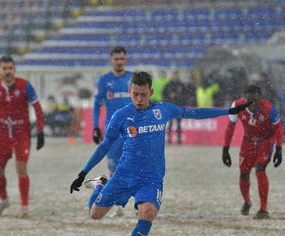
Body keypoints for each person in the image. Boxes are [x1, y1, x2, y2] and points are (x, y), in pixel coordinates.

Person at [70, 71, 251, 236]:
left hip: (151, 178)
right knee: (95, 215)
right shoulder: (121, 115)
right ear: (129, 91)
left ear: (151, 92)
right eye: (135, 94)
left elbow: (194, 113)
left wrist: (228, 111)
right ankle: (100, 185)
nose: (139, 99)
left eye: (143, 94)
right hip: (124, 175)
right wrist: (83, 173)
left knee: (147, 213)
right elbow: (104, 146)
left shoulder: (163, 110)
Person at [0, 56, 45, 218]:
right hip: (3, 134)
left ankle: (24, 207)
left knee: (21, 169)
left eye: (10, 68)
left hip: (22, 134)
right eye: (4, 68)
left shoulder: (25, 86)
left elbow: (38, 108)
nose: (8, 71)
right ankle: (4, 200)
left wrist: (41, 131)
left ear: (14, 69)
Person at [222, 85, 283, 219]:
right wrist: (225, 149)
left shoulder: (268, 108)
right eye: (250, 100)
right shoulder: (237, 106)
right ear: (245, 99)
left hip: (265, 141)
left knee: (260, 169)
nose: (253, 104)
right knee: (244, 174)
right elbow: (230, 127)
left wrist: (279, 149)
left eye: (255, 100)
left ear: (259, 98)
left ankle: (263, 209)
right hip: (248, 141)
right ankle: (247, 201)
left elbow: (278, 128)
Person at [92, 46, 132, 216]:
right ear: (111, 60)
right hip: (113, 131)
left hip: (132, 130)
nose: (119, 62)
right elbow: (96, 104)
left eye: (122, 58)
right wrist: (95, 126)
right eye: (116, 59)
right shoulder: (103, 79)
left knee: (134, 166)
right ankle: (119, 206)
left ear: (126, 59)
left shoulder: (132, 78)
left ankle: (140, 203)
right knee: (114, 169)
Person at [162, 71, 186, 144]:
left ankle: (179, 141)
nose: (175, 77)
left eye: (176, 75)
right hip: (171, 107)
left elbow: (186, 95)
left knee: (179, 125)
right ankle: (169, 140)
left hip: (179, 107)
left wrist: (179, 98)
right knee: (170, 124)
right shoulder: (168, 85)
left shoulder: (181, 85)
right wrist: (169, 98)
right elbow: (163, 94)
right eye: (174, 75)